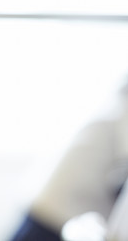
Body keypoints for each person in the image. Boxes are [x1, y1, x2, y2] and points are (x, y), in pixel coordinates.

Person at [10, 81, 128, 241]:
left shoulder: (114, 107)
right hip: (57, 216)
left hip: (50, 207)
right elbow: (121, 169)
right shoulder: (121, 110)